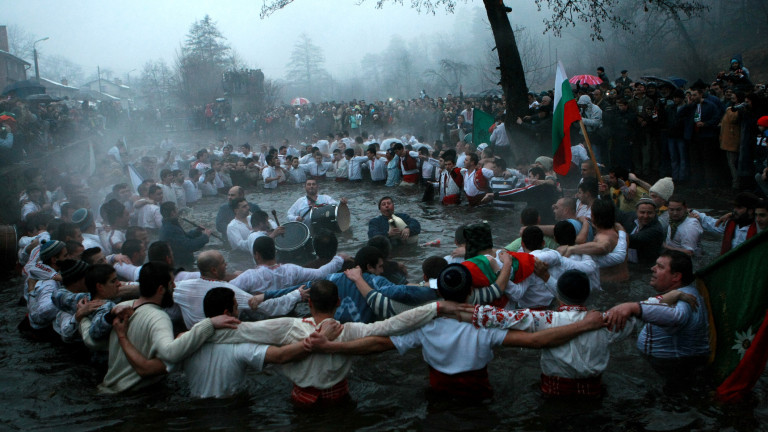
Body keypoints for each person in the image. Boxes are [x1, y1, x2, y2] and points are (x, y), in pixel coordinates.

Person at [306, 264, 605, 400]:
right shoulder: (485, 322)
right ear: (469, 292)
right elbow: (538, 340)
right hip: (480, 396)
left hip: (437, 394)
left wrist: (332, 347)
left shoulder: (424, 324)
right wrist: (586, 323)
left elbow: (375, 344)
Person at [114, 287, 312, 398]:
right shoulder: (240, 347)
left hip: (198, 410)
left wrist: (122, 336)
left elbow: (146, 369)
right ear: (227, 313)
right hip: (233, 408)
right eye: (236, 307)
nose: (239, 311)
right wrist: (314, 342)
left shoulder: (186, 345)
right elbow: (281, 356)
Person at [98, 261, 240, 394]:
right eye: (171, 283)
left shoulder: (120, 308)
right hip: (133, 396)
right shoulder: (158, 318)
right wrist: (209, 323)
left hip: (107, 389)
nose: (175, 287)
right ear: (161, 289)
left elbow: (92, 341)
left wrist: (81, 317)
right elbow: (170, 353)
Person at [606, 251, 709, 382]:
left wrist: (634, 307)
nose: (652, 269)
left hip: (670, 370)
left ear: (676, 276)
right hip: (665, 365)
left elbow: (677, 317)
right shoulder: (684, 292)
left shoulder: (686, 299)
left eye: (660, 267)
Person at [173, 251, 301, 329]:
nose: (226, 265)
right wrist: (297, 294)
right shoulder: (228, 292)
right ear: (214, 270)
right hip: (223, 338)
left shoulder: (180, 287)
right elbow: (269, 307)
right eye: (223, 263)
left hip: (194, 337)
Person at [230, 236, 344, 295]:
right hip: (289, 315)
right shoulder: (291, 270)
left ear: (257, 255)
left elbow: (224, 291)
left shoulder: (249, 276)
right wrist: (339, 259)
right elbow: (320, 274)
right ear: (275, 252)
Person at [693, 192, 760, 254]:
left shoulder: (759, 228)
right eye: (735, 207)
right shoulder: (730, 223)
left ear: (751, 211)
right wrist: (693, 212)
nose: (734, 210)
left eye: (739, 207)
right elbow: (712, 223)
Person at [158, 202, 210, 267]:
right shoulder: (170, 229)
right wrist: (204, 237)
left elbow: (183, 237)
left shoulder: (169, 224)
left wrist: (197, 231)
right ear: (172, 212)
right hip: (180, 266)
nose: (178, 211)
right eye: (176, 209)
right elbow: (189, 246)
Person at [618, 197, 665, 265]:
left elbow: (632, 239)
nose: (645, 216)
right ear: (636, 211)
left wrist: (618, 228)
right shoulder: (631, 216)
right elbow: (615, 213)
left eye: (649, 213)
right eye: (642, 212)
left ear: (655, 212)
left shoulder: (656, 230)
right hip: (627, 263)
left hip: (644, 269)